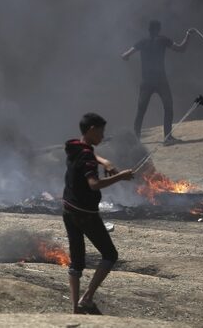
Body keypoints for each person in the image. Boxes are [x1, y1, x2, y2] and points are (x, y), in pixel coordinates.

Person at [63, 112, 134, 314]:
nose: (103, 136)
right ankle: (87, 298)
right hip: (85, 214)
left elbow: (88, 153)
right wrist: (121, 176)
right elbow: (94, 185)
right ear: (92, 130)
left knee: (77, 260)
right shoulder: (87, 157)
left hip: (68, 209)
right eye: (101, 131)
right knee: (110, 254)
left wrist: (106, 162)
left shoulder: (73, 146)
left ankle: (75, 308)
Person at [121, 20, 194, 145]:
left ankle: (136, 139)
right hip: (160, 80)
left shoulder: (142, 42)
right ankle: (167, 138)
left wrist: (126, 57)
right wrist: (188, 35)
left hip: (146, 81)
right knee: (168, 107)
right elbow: (181, 49)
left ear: (149, 30)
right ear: (158, 29)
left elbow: (125, 55)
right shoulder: (162, 40)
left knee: (141, 110)